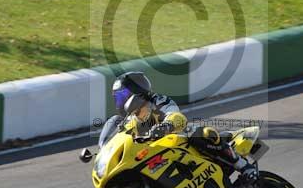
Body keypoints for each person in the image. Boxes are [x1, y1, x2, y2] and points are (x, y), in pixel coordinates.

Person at [99, 71, 251, 177]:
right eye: (117, 97)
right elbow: (120, 140)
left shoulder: (157, 101)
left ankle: (242, 165)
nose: (119, 101)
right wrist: (104, 149)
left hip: (180, 143)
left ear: (136, 90)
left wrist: (166, 126)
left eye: (122, 95)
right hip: (155, 156)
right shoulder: (128, 122)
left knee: (200, 133)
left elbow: (177, 116)